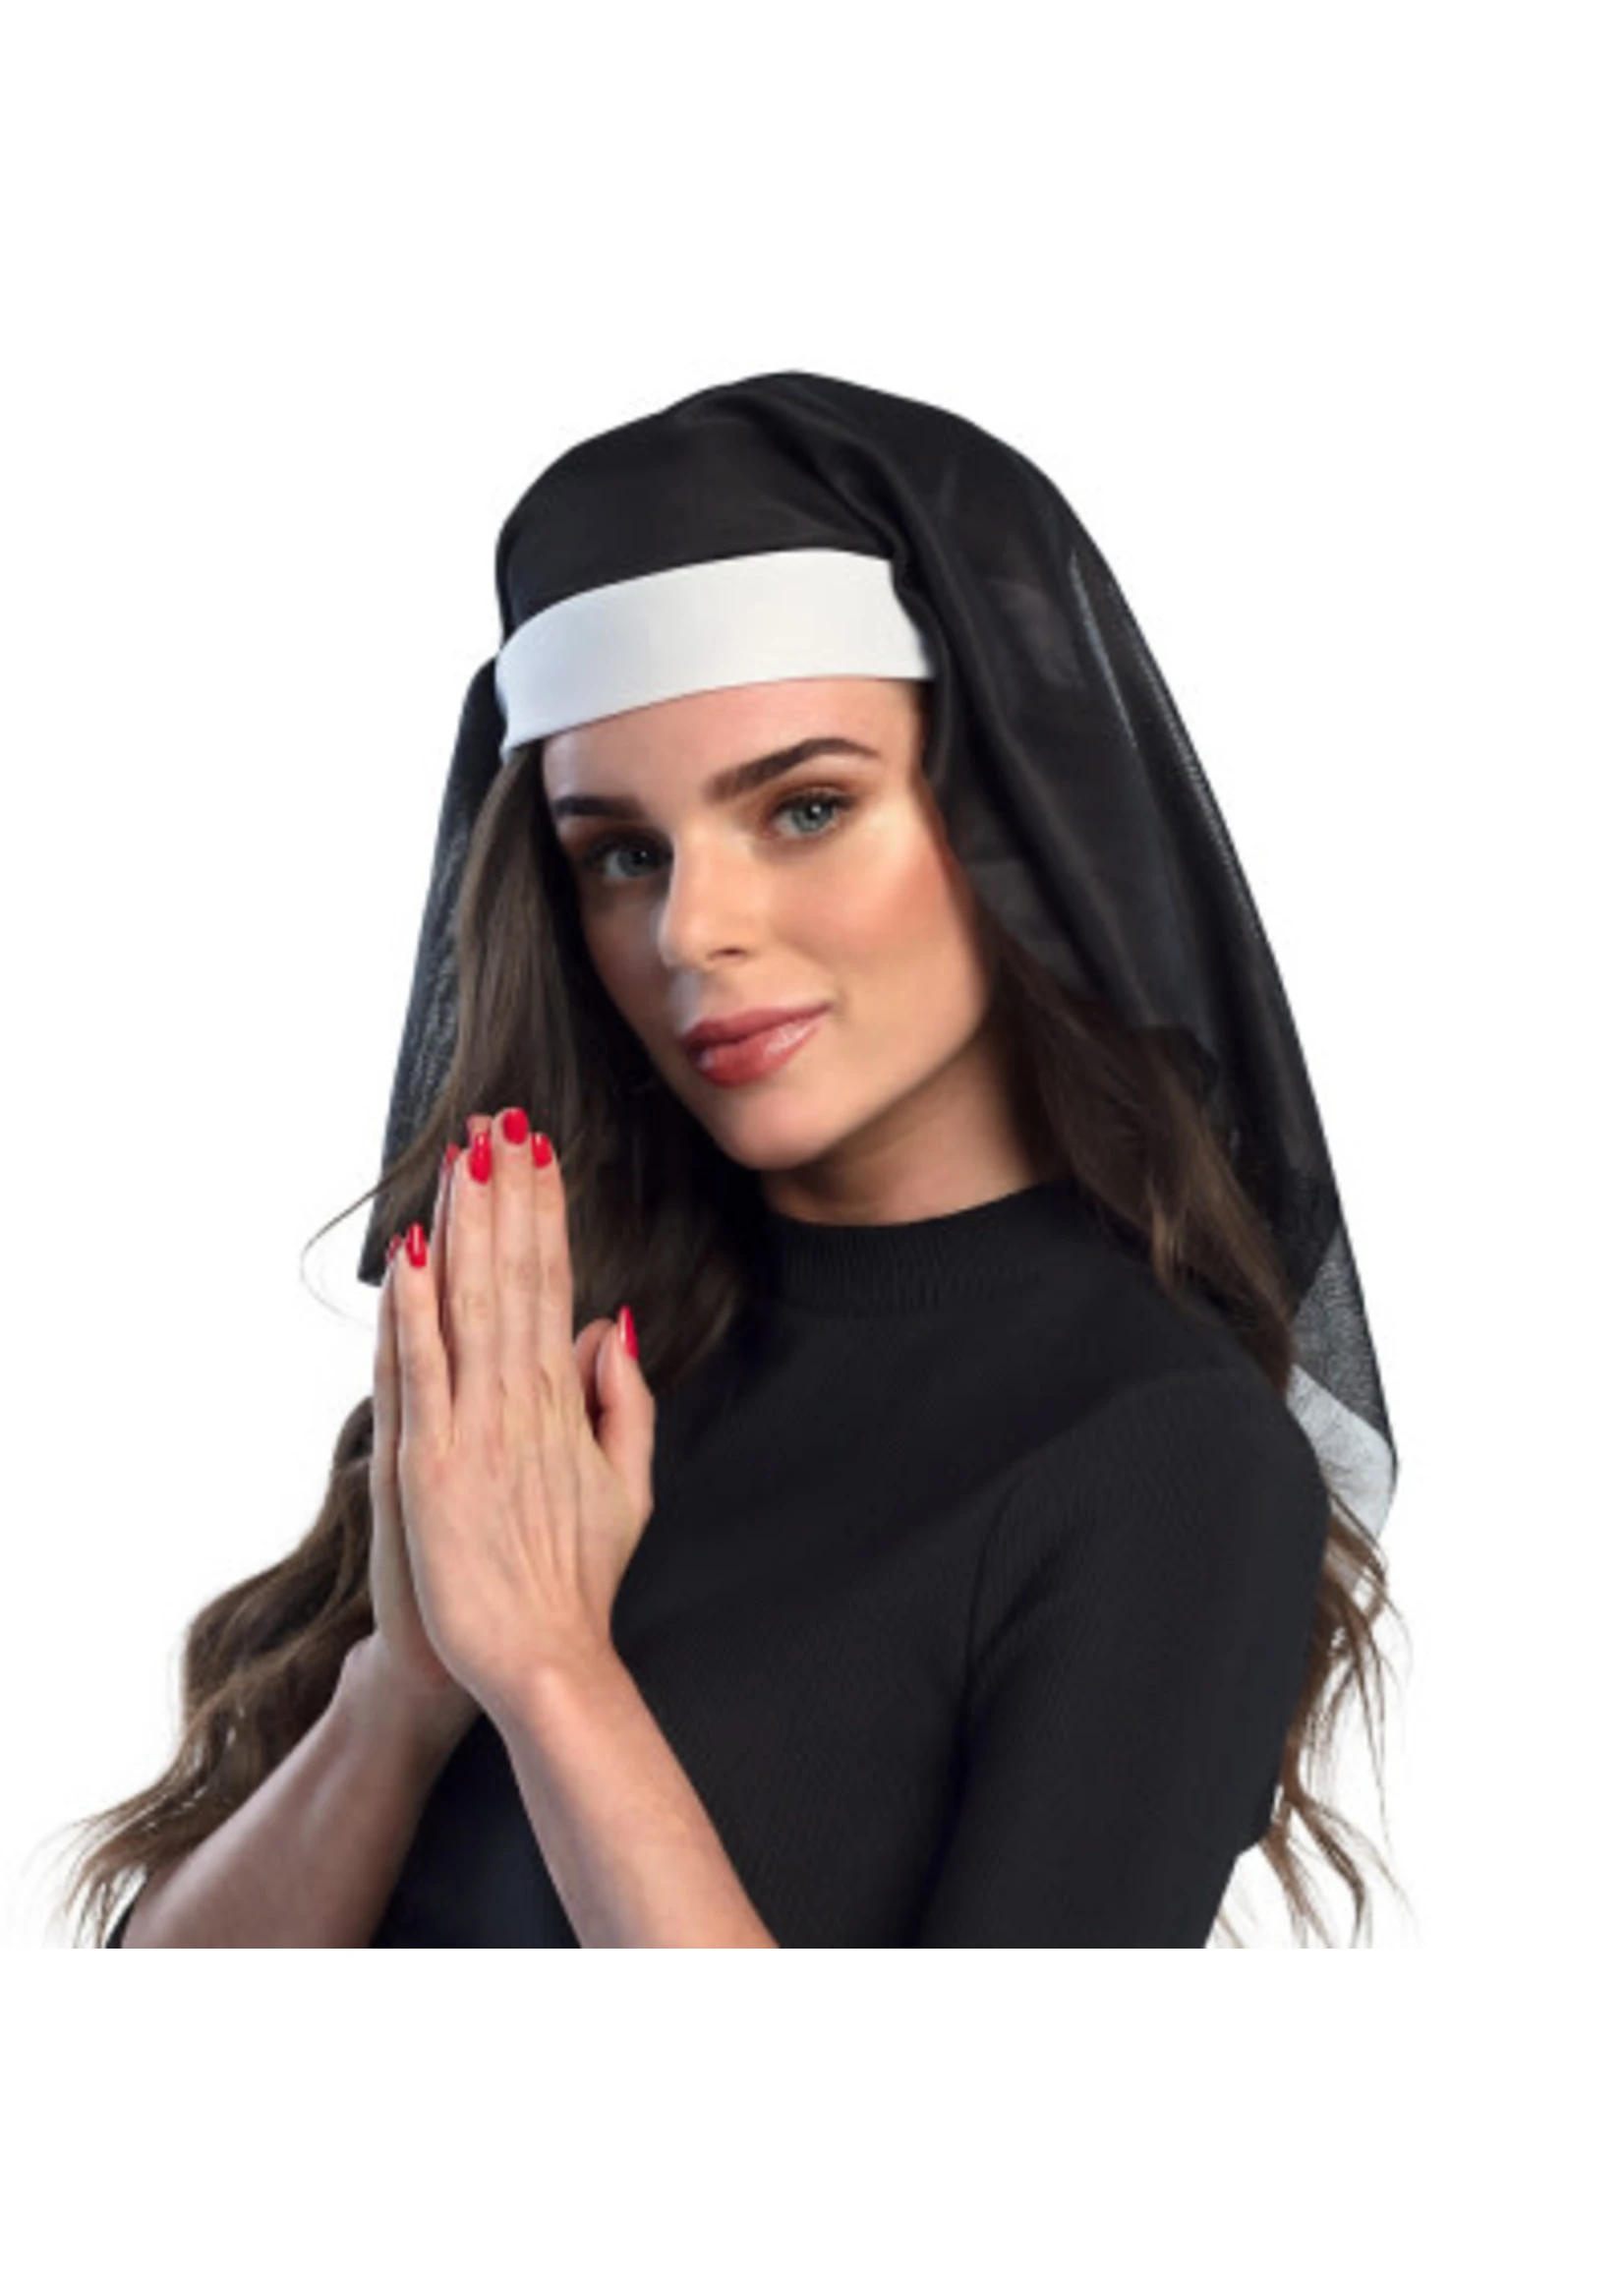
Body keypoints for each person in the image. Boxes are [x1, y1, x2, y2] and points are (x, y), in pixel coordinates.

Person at [64, 371, 1403, 1948]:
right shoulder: (565, 1356)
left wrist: (551, 1672)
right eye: (623, 854)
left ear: (1017, 826)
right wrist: (404, 1687)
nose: (689, 929)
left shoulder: (1164, 1457)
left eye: (806, 808)